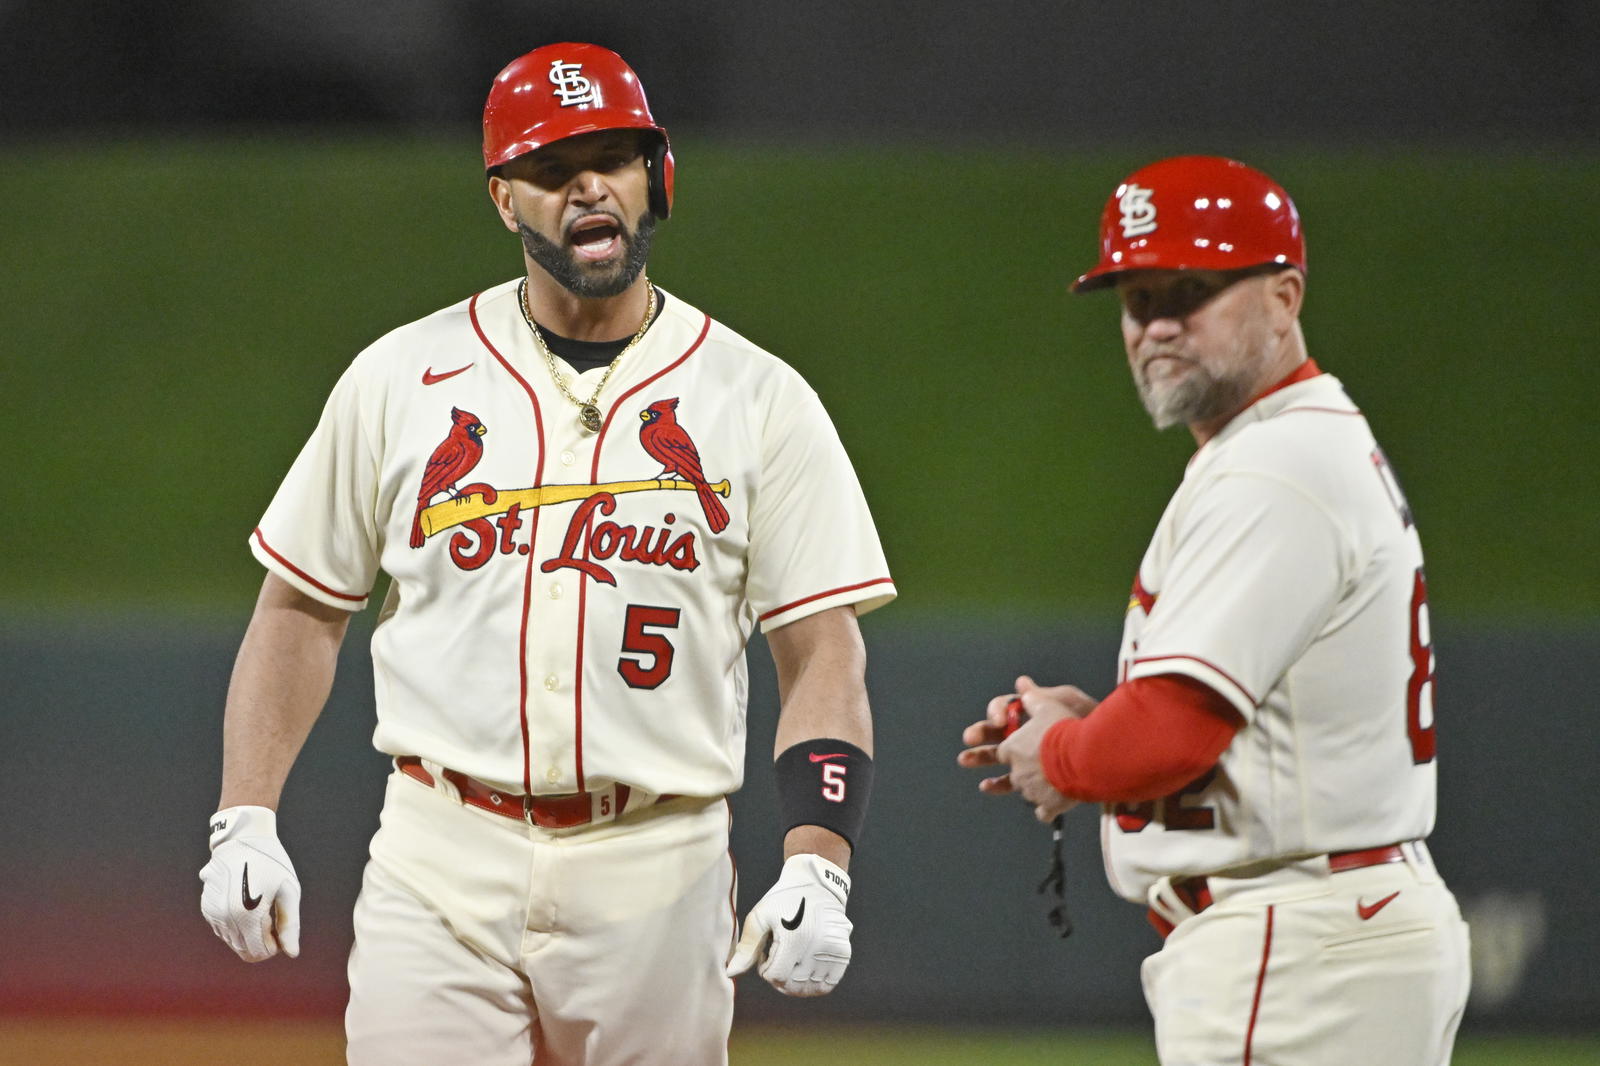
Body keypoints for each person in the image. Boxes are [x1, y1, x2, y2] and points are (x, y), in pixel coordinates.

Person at [199, 42, 895, 1065]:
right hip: (439, 850)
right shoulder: (401, 378)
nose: (587, 185)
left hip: (658, 858)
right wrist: (243, 817)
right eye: (550, 164)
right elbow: (300, 607)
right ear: (502, 200)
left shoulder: (758, 399)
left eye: (613, 155)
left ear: (656, 175)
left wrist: (818, 862)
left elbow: (822, 651)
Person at [958, 155, 1470, 1064]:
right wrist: (1095, 724)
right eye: (1135, 296)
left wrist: (1065, 754)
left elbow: (1170, 736)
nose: (1155, 323)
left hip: (1298, 941)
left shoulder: (1274, 468)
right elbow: (1210, 722)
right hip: (1327, 928)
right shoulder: (1294, 447)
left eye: (1190, 290)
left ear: (1284, 296)